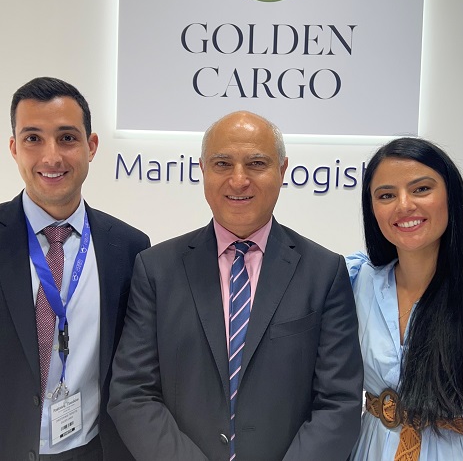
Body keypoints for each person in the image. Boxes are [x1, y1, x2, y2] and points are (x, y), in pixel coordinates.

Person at [108, 110, 363, 461]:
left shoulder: (324, 272)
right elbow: (132, 394)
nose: (239, 180)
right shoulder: (156, 270)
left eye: (256, 163)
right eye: (222, 164)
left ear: (282, 170)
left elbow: (339, 403)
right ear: (202, 170)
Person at [0, 77, 151, 461]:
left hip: (94, 450)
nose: (51, 157)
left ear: (91, 145)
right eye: (33, 139)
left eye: (67, 138)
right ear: (14, 148)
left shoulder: (129, 247)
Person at [347, 137, 463, 461]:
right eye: (386, 195)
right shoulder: (356, 280)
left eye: (421, 189)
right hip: (371, 447)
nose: (404, 205)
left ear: (451, 194)